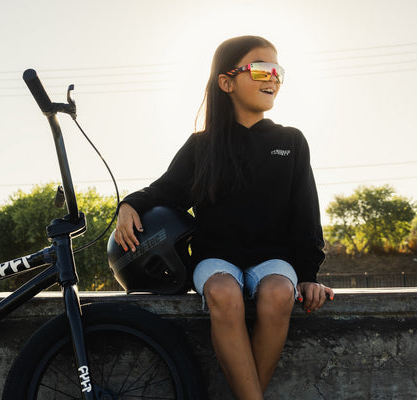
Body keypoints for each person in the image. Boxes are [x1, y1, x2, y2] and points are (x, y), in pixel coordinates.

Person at [114, 35, 334, 400]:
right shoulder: (203, 145)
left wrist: (309, 276)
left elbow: (306, 214)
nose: (273, 78)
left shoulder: (291, 141)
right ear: (226, 82)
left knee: (279, 293)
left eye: (278, 71)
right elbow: (164, 190)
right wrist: (128, 204)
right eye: (262, 69)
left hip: (273, 259)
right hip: (216, 259)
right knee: (223, 292)